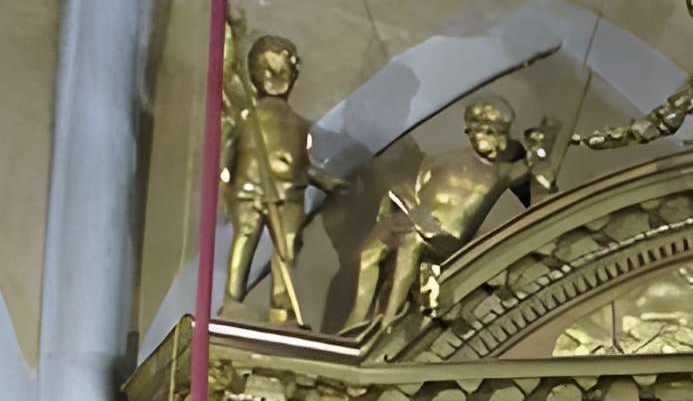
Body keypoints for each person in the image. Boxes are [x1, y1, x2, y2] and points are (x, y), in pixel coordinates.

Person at [342, 98, 549, 333]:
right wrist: (394, 213)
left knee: (411, 242)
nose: (488, 138)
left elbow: (540, 186)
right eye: (478, 130)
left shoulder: (505, 171)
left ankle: (386, 324)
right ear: (468, 131)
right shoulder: (441, 160)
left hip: (447, 238)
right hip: (419, 221)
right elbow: (417, 188)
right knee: (371, 250)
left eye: (493, 132)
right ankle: (356, 321)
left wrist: (540, 149)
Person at [222, 30, 347, 322]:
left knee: (287, 249)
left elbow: (306, 163)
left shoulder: (300, 124)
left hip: (290, 193)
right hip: (250, 189)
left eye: (283, 69)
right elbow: (226, 80)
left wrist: (328, 181)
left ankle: (282, 303)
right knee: (245, 239)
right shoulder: (246, 114)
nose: (276, 75)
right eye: (268, 68)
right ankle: (231, 299)